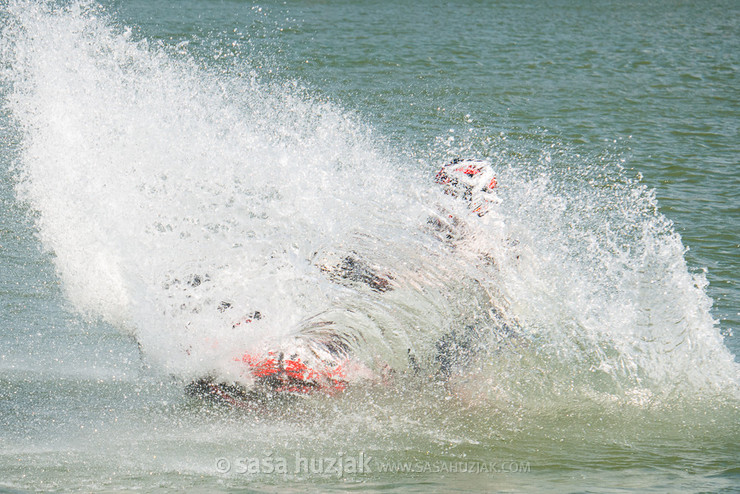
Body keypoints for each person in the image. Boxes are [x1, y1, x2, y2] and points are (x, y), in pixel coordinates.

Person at [187, 158, 499, 405]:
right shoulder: (431, 235)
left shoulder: (481, 244)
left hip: (445, 342)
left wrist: (389, 277)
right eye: (440, 193)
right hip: (416, 334)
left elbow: (446, 274)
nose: (440, 204)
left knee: (355, 324)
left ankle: (297, 369)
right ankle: (263, 354)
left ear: (474, 200)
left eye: (451, 194)